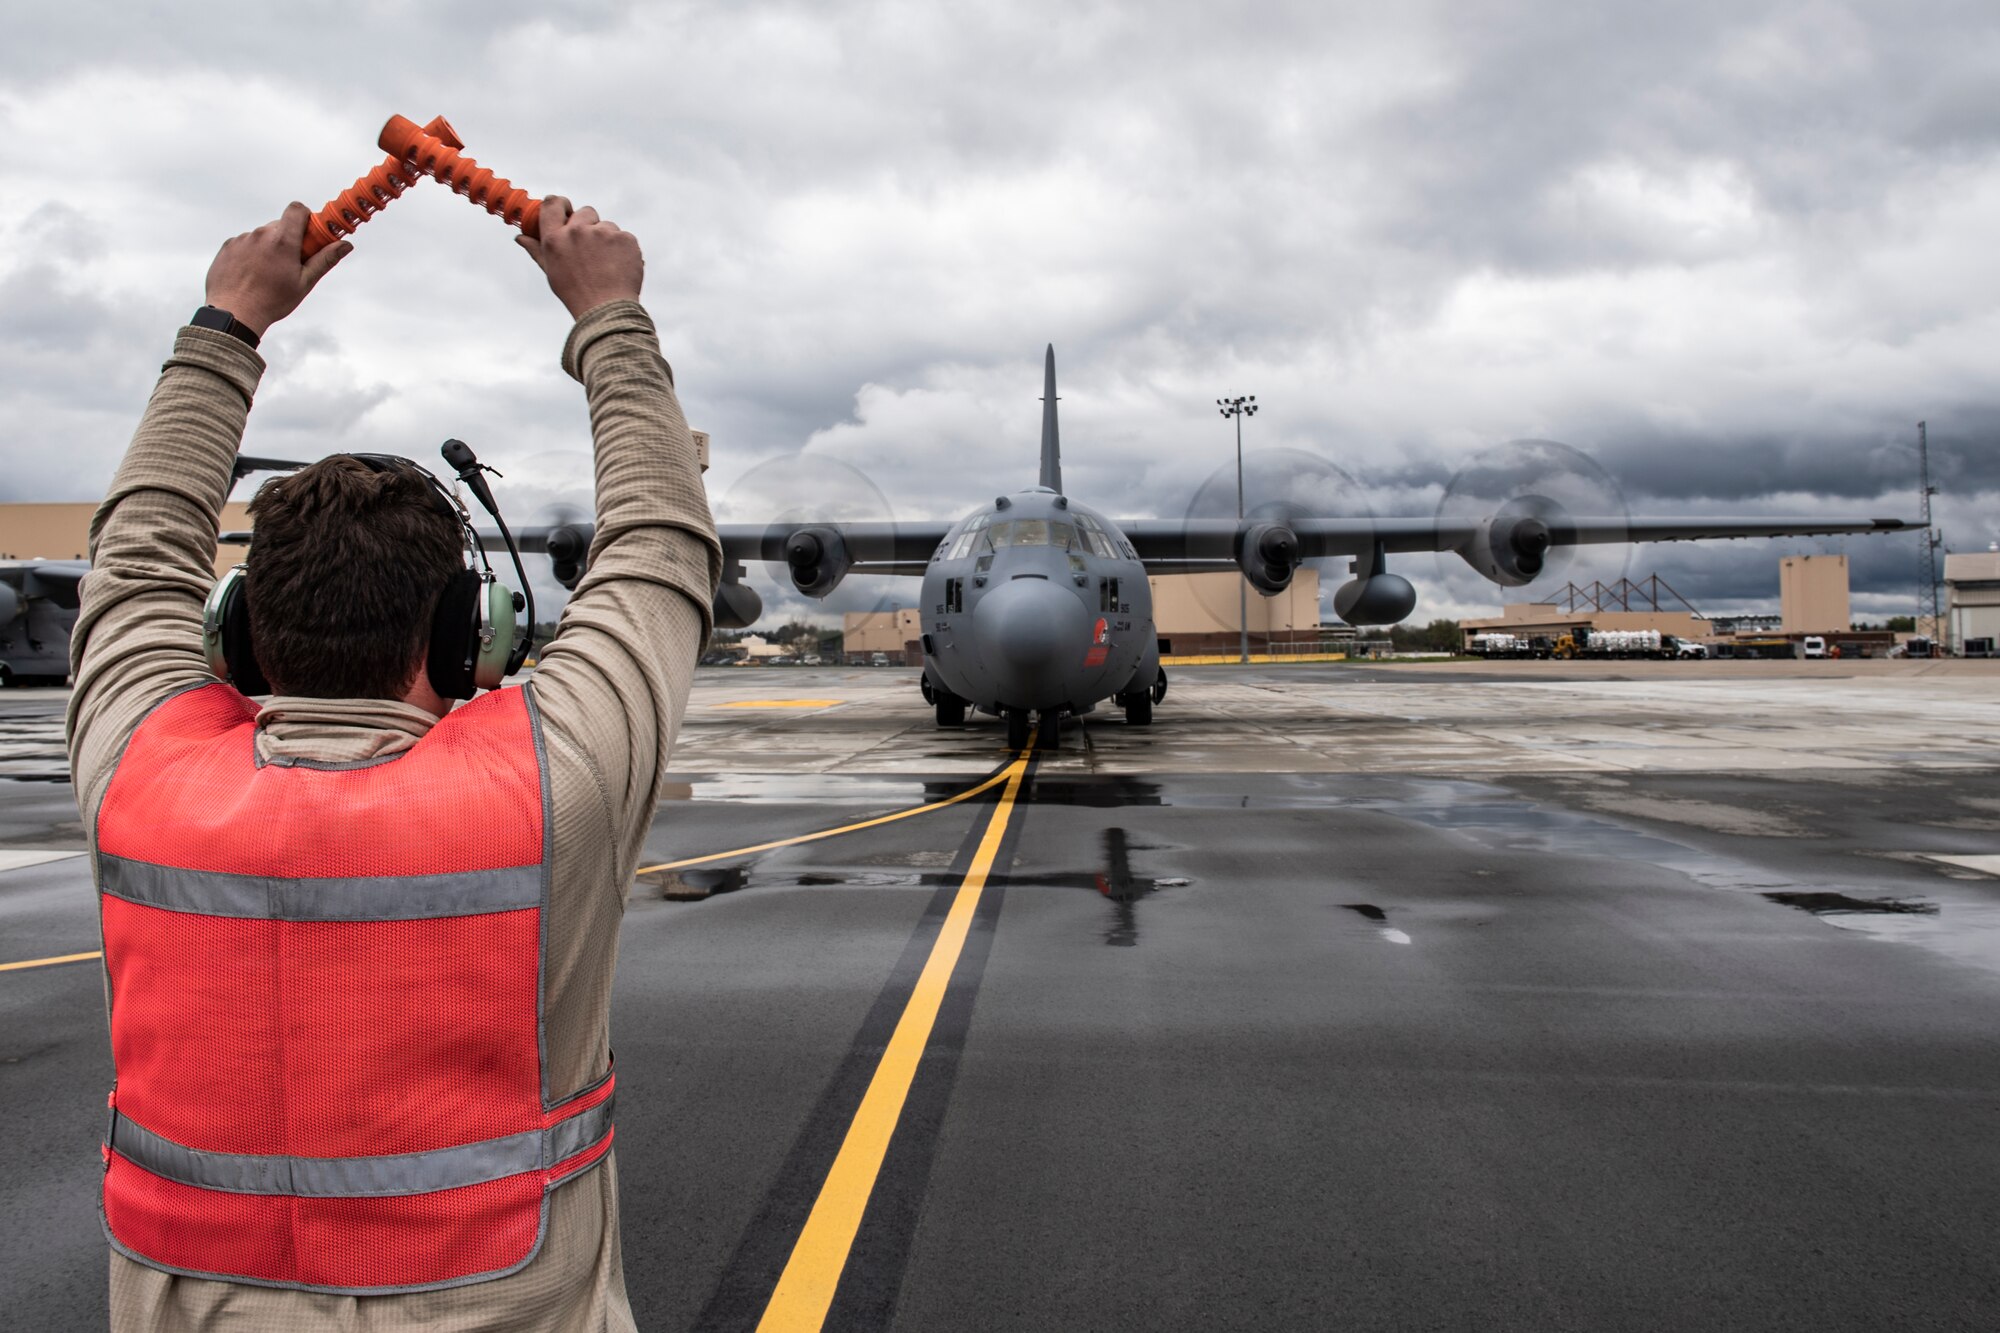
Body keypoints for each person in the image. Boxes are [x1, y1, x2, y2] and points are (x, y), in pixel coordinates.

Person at [66, 198, 720, 1331]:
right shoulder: (549, 784)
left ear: (242, 635)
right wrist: (610, 315)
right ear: (473, 635)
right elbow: (661, 543)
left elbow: (135, 552)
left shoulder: (140, 774)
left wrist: (227, 323)